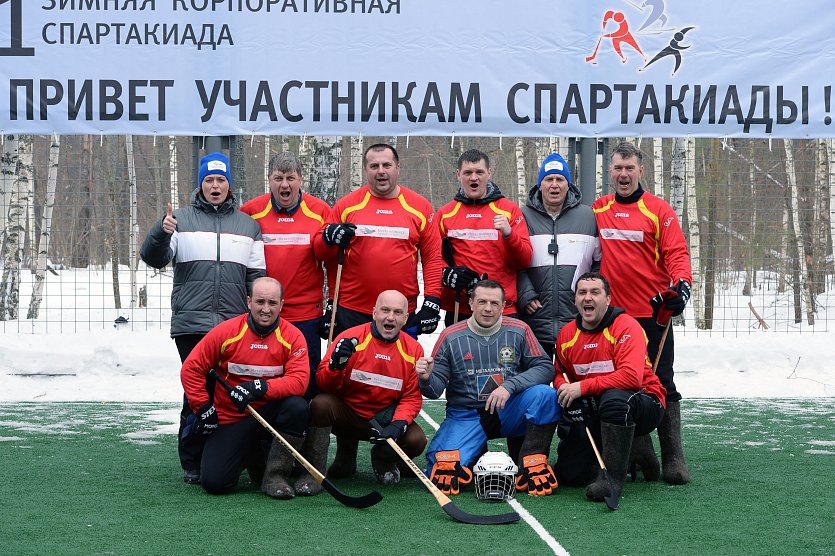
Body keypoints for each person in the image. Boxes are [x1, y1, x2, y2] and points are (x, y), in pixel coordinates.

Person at [140, 151, 266, 484]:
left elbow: (256, 277)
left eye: (221, 179)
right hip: (191, 324)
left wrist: (257, 320)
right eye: (209, 180)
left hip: (233, 325)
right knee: (197, 390)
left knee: (229, 389)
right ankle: (193, 460)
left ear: (229, 185)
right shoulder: (179, 220)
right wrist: (161, 231)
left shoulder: (249, 226)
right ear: (200, 185)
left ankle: (228, 455)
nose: (215, 185)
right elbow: (154, 258)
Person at [592, 141, 692, 484]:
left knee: (661, 381)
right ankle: (637, 449)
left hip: (653, 317)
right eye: (618, 168)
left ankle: (674, 455)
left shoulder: (659, 210)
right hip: (613, 319)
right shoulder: (598, 209)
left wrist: (681, 286)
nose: (624, 174)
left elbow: (677, 254)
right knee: (622, 383)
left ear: (641, 171)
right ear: (610, 172)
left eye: (629, 168)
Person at [418, 280, 561, 496]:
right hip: (467, 414)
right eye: (482, 302)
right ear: (471, 303)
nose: (488, 308)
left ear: (503, 306)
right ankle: (473, 452)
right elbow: (434, 390)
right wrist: (426, 378)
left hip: (508, 408)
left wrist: (510, 386)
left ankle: (532, 461)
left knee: (546, 395)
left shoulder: (520, 329)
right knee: (442, 469)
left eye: (494, 303)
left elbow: (545, 367)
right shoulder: (450, 336)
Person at [180, 277, 310, 498]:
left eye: (272, 303)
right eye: (260, 302)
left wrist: (259, 387)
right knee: (215, 483)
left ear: (281, 305)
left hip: (270, 413)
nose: (266, 309)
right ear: (249, 302)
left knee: (297, 407)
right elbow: (191, 368)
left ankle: (275, 475)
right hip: (233, 417)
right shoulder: (226, 332)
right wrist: (202, 406)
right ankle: (252, 454)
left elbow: (299, 380)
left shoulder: (293, 336)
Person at [294, 290, 426, 494]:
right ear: (374, 313)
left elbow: (411, 396)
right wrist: (335, 367)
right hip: (349, 415)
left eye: (397, 312)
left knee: (417, 440)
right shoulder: (349, 338)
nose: (390, 317)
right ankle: (315, 472)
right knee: (320, 404)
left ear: (405, 318)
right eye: (385, 310)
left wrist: (397, 424)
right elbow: (324, 385)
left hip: (383, 421)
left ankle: (383, 457)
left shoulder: (414, 350)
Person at [552, 272, 666, 504]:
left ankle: (612, 478)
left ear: (608, 299)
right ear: (575, 300)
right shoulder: (567, 334)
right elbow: (559, 373)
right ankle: (634, 449)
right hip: (596, 407)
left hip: (644, 402)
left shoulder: (626, 326)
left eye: (595, 292)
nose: (587, 298)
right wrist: (564, 386)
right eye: (582, 293)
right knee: (570, 475)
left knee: (614, 400)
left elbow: (631, 378)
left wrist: (582, 387)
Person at [314, 143, 443, 340]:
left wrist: (432, 300)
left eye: (386, 165)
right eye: (374, 166)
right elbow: (321, 254)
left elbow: (432, 257)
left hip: (399, 312)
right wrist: (328, 237)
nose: (381, 171)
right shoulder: (347, 206)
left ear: (397, 168)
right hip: (352, 310)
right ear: (366, 170)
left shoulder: (420, 207)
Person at [240, 152, 330, 400]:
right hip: (263, 313)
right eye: (278, 178)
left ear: (300, 179)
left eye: (290, 178)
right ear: (269, 179)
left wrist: (332, 304)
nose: (284, 185)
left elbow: (333, 263)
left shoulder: (320, 211)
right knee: (263, 377)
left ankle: (306, 424)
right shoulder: (250, 212)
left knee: (306, 381)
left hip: (306, 315)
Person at [517, 153, 601, 358]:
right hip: (535, 320)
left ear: (568, 185)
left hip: (576, 319)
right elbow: (512, 261)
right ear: (540, 185)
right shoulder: (522, 216)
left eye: (560, 179)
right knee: (539, 377)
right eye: (548, 179)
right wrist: (525, 294)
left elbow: (599, 263)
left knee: (575, 377)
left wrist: (588, 296)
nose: (554, 185)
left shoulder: (588, 217)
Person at [436, 149, 532, 325]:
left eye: (479, 172)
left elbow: (524, 260)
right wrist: (447, 273)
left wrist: (509, 235)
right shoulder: (445, 214)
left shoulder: (509, 210)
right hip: (461, 309)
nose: (474, 178)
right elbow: (432, 258)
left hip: (502, 308)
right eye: (468, 173)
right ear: (458, 175)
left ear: (489, 173)